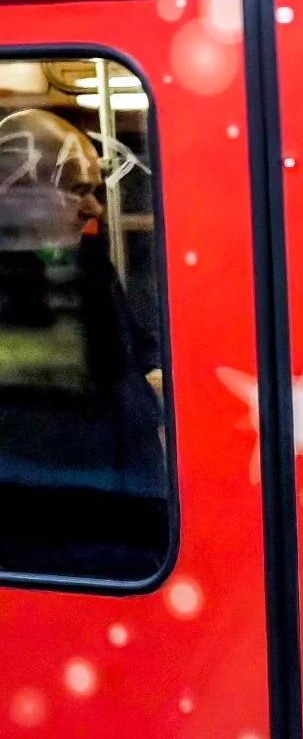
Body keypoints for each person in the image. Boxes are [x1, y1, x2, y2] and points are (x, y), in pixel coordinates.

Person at [0, 109, 167, 579]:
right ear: (11, 190)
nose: (95, 209)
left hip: (131, 514)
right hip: (46, 541)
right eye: (78, 189)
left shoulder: (86, 265)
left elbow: (138, 355)